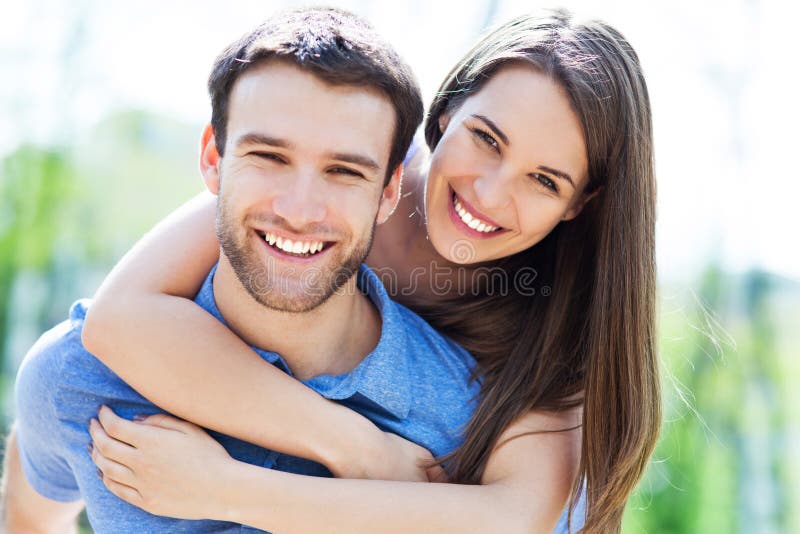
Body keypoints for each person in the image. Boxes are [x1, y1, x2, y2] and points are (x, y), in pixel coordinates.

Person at [48, 8, 655, 534]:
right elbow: (117, 320)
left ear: (581, 203)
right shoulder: (344, 173)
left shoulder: (560, 328)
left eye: (545, 181)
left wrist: (223, 489)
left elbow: (507, 521)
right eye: (486, 139)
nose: (490, 194)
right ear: (444, 115)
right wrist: (355, 445)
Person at [2, 8, 489, 533]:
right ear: (213, 157)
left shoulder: (468, 416)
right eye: (269, 157)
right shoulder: (80, 374)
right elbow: (27, 518)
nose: (300, 211)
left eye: (343, 171)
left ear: (388, 191)